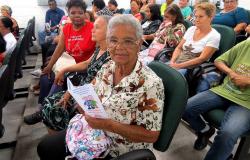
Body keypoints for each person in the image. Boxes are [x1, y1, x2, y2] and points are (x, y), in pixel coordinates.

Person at [37, 14, 164, 160]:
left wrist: (108, 125)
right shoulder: (109, 66)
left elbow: (151, 135)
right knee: (45, 147)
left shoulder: (151, 84)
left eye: (128, 41)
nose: (119, 47)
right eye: (113, 40)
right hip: (92, 134)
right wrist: (83, 102)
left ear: (139, 43)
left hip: (118, 149)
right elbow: (93, 87)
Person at [24, 0, 96, 124]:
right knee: (46, 78)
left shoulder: (92, 28)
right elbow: (59, 49)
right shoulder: (67, 28)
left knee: (59, 79)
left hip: (83, 68)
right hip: (67, 64)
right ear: (68, 14)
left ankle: (43, 112)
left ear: (85, 14)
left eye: (80, 12)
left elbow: (95, 57)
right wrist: (49, 66)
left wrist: (64, 70)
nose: (77, 15)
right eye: (73, 13)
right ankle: (42, 107)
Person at [39, 15, 112, 131]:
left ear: (109, 31)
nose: (92, 30)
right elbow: (86, 63)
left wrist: (71, 93)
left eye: (97, 28)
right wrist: (64, 70)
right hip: (82, 89)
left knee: (52, 109)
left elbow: (95, 84)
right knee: (49, 102)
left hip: (91, 96)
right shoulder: (100, 48)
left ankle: (61, 140)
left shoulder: (111, 56)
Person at [183, 39, 250, 160]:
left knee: (228, 134)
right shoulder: (247, 44)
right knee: (185, 108)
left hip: (246, 104)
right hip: (224, 91)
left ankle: (221, 152)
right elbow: (219, 61)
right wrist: (231, 73)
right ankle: (205, 130)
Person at [169, 2, 221, 93]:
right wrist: (173, 62)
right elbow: (179, 48)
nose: (196, 19)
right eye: (196, 16)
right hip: (178, 61)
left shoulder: (214, 36)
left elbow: (202, 58)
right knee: (157, 71)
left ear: (211, 17)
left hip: (192, 67)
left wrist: (178, 66)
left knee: (170, 79)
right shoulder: (191, 29)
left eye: (201, 17)